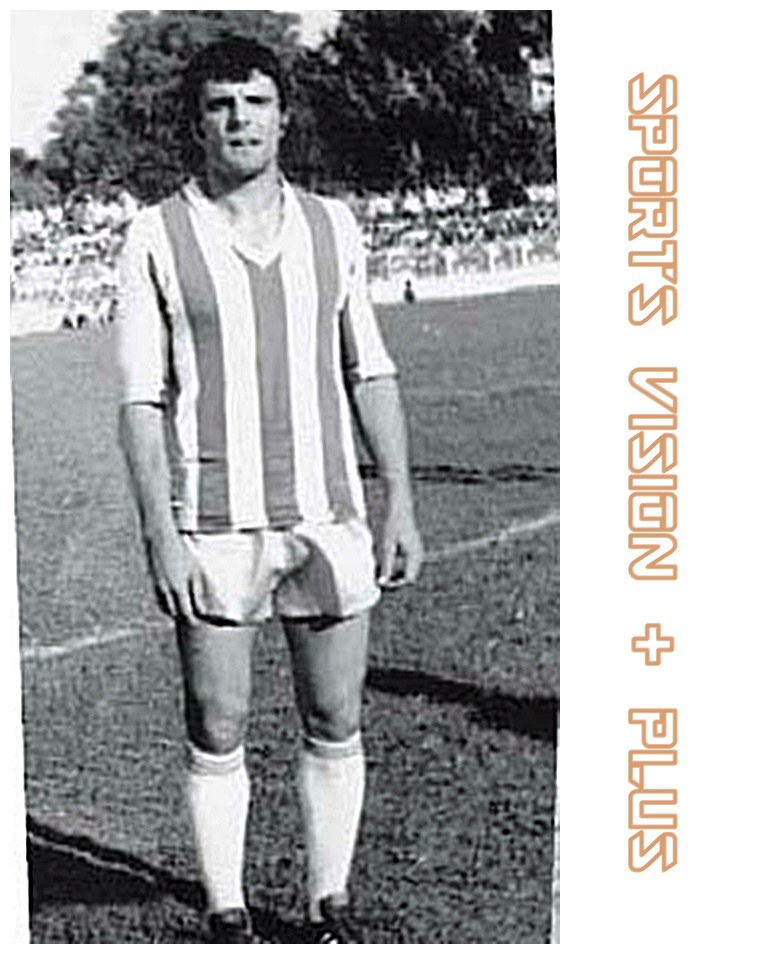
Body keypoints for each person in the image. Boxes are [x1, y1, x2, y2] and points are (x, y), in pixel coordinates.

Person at [116, 37, 423, 944]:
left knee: (334, 714)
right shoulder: (156, 235)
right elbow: (140, 399)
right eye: (221, 105)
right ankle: (226, 907)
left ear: (284, 117)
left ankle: (329, 901)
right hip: (214, 523)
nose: (239, 120)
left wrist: (398, 499)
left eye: (255, 102)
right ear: (197, 123)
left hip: (329, 513)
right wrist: (159, 534)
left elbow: (370, 369)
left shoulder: (334, 226)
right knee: (218, 719)